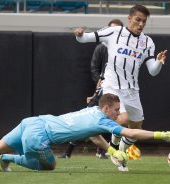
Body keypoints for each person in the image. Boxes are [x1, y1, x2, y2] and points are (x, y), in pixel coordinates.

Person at [0, 94, 170, 172]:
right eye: (116, 110)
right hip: (38, 137)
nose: (118, 113)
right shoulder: (106, 121)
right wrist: (162, 134)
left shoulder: (92, 111)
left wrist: (112, 149)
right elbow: (131, 133)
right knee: (49, 166)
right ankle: (10, 159)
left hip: (32, 121)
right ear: (106, 108)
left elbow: (93, 135)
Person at [74, 4, 167, 171]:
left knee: (136, 127)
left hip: (132, 90)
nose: (140, 24)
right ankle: (114, 146)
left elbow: (153, 71)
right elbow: (85, 38)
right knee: (122, 119)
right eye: (138, 20)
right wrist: (79, 35)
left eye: (144, 22)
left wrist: (159, 62)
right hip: (112, 86)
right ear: (129, 18)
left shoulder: (148, 42)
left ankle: (119, 153)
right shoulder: (114, 33)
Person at [60, 19, 125, 159]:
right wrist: (97, 90)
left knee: (114, 120)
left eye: (117, 30)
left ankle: (105, 150)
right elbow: (96, 70)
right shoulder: (101, 48)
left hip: (118, 91)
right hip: (102, 90)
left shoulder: (124, 50)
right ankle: (68, 151)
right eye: (111, 29)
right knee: (86, 118)